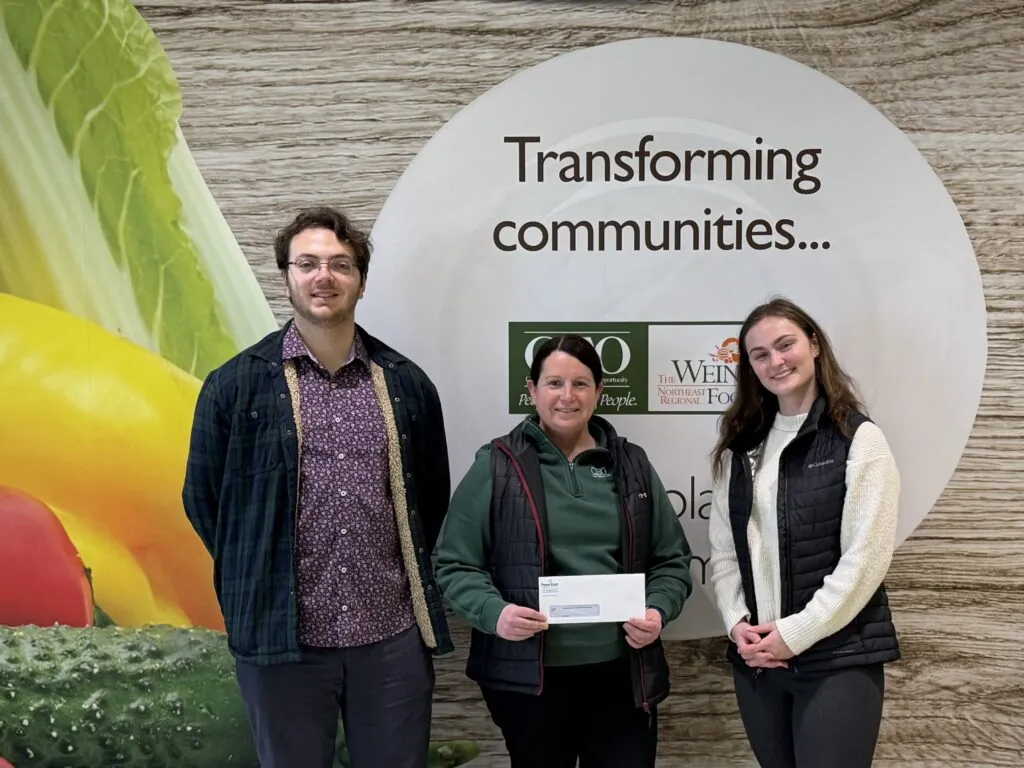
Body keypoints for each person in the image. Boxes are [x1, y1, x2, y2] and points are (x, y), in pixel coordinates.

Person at [182, 206, 452, 768]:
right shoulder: (234, 386)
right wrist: (259, 570)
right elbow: (205, 503)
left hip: (390, 639)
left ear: (361, 281)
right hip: (281, 641)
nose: (323, 276)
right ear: (287, 277)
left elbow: (430, 497)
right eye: (307, 264)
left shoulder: (406, 385)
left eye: (340, 264)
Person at [436, 334, 693, 768]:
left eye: (580, 384)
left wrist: (657, 610)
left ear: (599, 392)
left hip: (622, 674)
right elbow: (454, 563)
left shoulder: (632, 464)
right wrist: (495, 613)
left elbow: (671, 560)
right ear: (532, 390)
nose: (567, 396)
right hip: (531, 681)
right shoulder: (496, 464)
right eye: (554, 383)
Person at [707, 297, 901, 768]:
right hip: (759, 663)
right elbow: (725, 555)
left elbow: (866, 559)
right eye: (759, 355)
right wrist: (737, 625)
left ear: (814, 344)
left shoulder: (858, 439)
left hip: (837, 660)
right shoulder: (739, 448)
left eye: (785, 345)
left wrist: (795, 634)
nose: (775, 361)